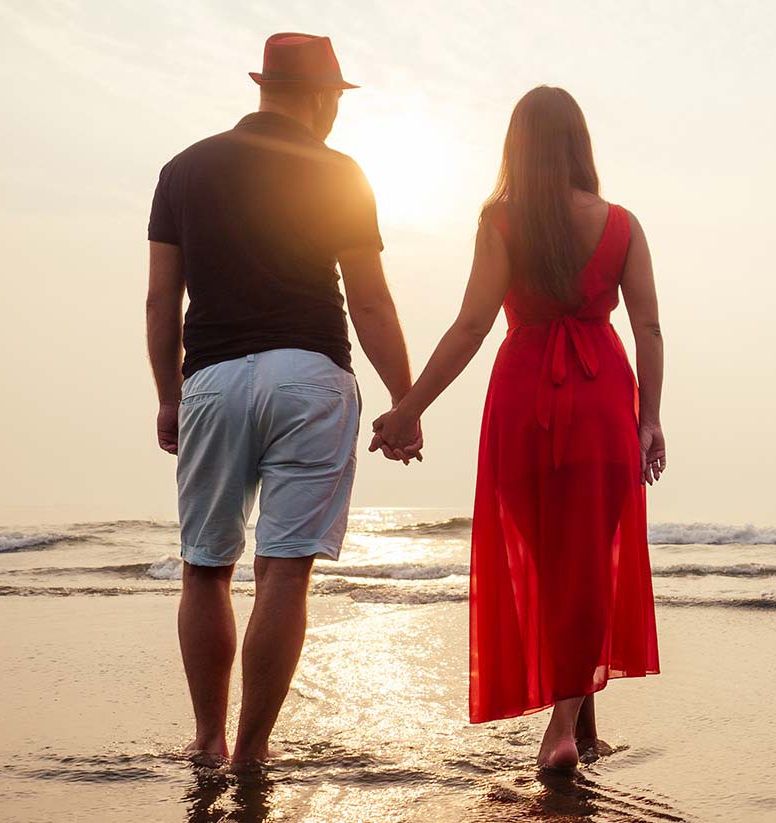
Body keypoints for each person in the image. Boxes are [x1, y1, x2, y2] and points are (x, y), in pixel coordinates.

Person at [144, 32, 420, 769]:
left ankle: (207, 737)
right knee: (284, 568)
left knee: (205, 565)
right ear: (319, 97)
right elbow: (370, 300)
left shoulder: (183, 170)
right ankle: (252, 751)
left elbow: (159, 301)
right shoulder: (338, 171)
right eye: (335, 100)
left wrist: (169, 396)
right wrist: (406, 399)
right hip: (310, 374)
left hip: (212, 377)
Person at [371, 86, 665, 771]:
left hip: (523, 399)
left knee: (554, 565)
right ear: (579, 143)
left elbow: (472, 326)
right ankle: (568, 729)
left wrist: (412, 405)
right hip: (601, 400)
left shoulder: (500, 221)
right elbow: (647, 324)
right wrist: (649, 415)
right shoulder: (621, 224)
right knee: (591, 559)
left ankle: (576, 729)